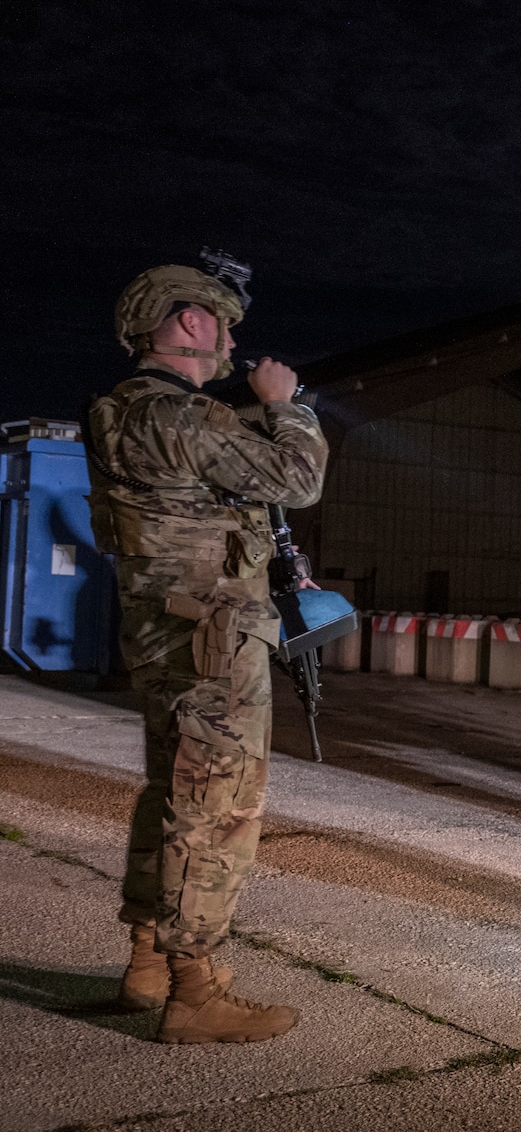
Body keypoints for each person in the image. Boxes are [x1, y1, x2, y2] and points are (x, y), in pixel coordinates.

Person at [85, 262, 328, 1044]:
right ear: (189, 324)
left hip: (162, 628)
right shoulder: (186, 416)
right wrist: (284, 406)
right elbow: (298, 477)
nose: (233, 340)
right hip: (214, 637)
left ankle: (146, 964)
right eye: (224, 322)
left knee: (172, 790)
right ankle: (195, 990)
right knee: (218, 808)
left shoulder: (122, 411)